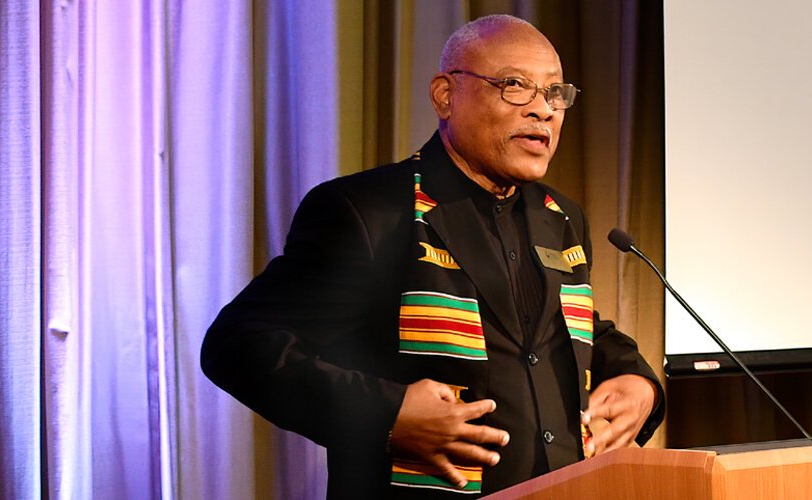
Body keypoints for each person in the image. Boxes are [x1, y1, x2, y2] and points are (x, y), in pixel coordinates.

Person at [202, 14, 663, 498]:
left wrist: (639, 382)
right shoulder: (370, 211)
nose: (543, 111)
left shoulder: (561, 216)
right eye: (515, 86)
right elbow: (241, 344)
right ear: (446, 95)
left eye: (554, 93)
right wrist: (388, 413)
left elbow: (562, 331)